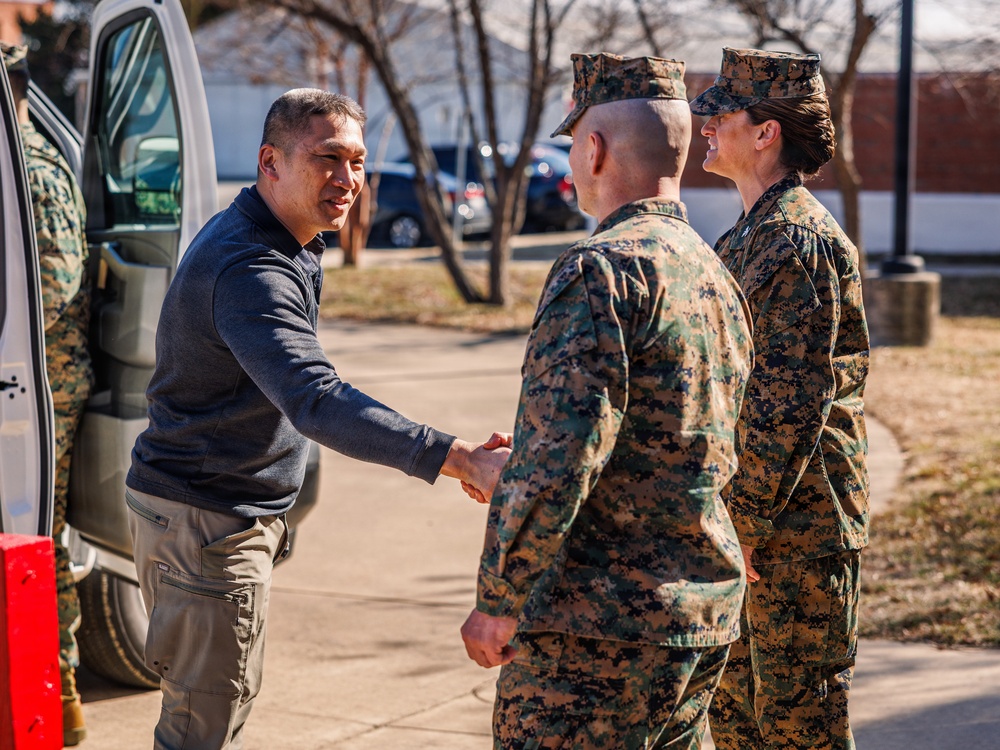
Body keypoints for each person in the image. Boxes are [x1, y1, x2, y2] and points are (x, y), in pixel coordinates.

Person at [125, 88, 509, 750]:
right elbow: (314, 399)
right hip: (208, 524)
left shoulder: (285, 237)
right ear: (270, 161)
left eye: (357, 161)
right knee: (200, 726)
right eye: (328, 157)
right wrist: (459, 457)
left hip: (217, 515)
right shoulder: (251, 266)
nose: (349, 179)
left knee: (217, 705)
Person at [459, 53, 755, 749]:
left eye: (572, 142)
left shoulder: (600, 271)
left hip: (599, 633)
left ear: (593, 150)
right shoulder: (714, 272)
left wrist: (500, 600)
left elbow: (559, 456)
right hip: (696, 617)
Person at [689, 48, 870, 750]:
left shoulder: (795, 240)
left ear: (766, 133)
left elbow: (788, 404)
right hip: (753, 531)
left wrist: (741, 523)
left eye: (721, 116)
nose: (706, 128)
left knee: (799, 731)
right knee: (736, 724)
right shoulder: (749, 235)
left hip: (794, 536)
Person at [3, 41, 93, 747]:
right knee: (41, 544)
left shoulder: (21, 166)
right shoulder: (42, 156)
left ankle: (50, 696)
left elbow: (44, 284)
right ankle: (53, 695)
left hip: (35, 389)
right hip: (47, 383)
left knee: (33, 547)